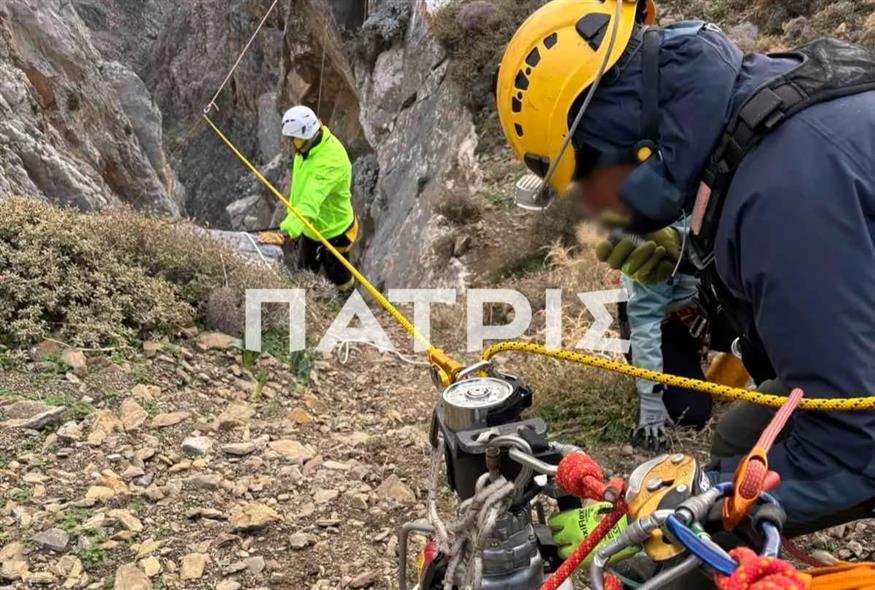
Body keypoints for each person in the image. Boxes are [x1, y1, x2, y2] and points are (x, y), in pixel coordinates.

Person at [495, 0, 875, 536]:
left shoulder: (778, 198)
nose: (604, 209)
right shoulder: (760, 109)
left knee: (685, 536)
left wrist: (671, 514)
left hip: (861, 429)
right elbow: (813, 304)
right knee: (743, 436)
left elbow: (855, 443)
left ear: (617, 133)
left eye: (591, 183)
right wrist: (701, 282)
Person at [279, 105, 358, 292]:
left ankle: (348, 305)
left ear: (306, 135)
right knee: (305, 272)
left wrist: (287, 232)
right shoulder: (307, 149)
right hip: (310, 227)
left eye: (294, 140)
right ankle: (308, 303)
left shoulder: (330, 162)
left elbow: (309, 201)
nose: (292, 145)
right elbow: (301, 189)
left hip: (334, 231)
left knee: (339, 277)